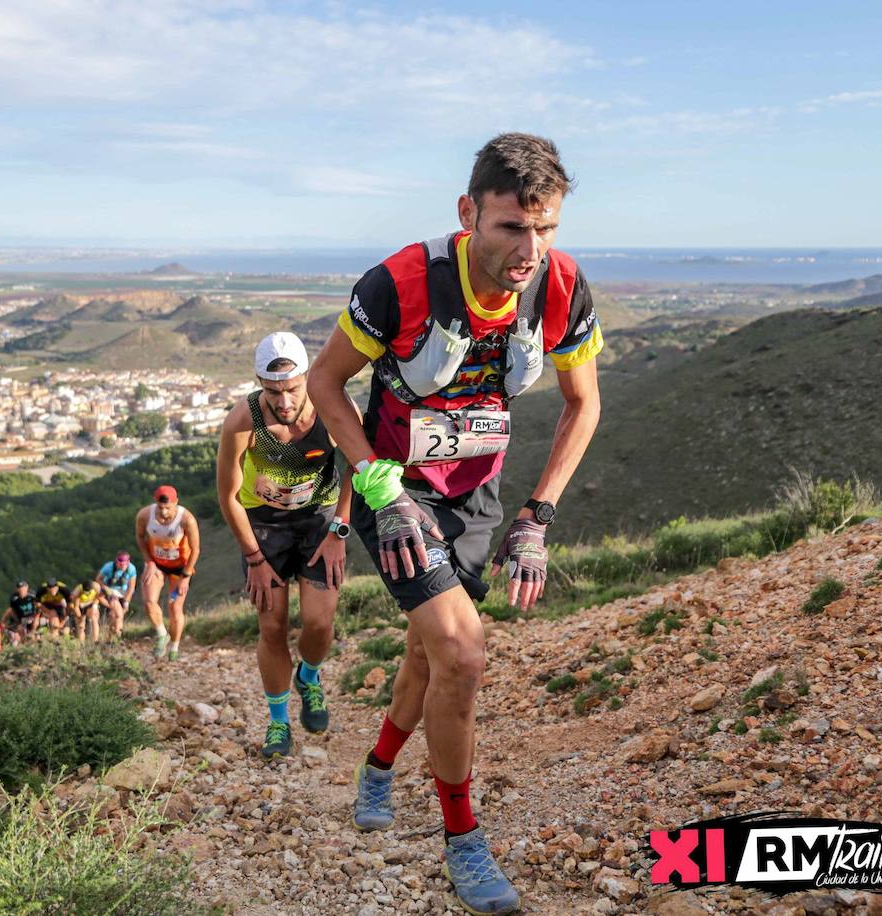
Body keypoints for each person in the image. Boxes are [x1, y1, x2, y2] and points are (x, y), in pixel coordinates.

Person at [307, 133, 603, 915]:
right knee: (464, 654)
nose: (529, 250)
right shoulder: (402, 282)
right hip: (394, 493)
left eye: (547, 230)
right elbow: (325, 381)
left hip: (477, 497)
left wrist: (538, 517)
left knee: (430, 656)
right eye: (511, 227)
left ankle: (376, 767)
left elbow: (584, 404)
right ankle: (463, 840)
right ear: (469, 212)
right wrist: (379, 486)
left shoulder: (562, 287)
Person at [216, 331, 354, 759]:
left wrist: (339, 531)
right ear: (259, 383)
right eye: (272, 391)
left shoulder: (332, 408)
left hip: (318, 521)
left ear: (306, 378)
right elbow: (227, 496)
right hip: (265, 526)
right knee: (272, 626)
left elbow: (358, 465)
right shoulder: (244, 421)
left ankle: (309, 678)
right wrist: (254, 558)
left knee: (318, 623)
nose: (284, 401)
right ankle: (278, 723)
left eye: (292, 389)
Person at [135, 485, 201, 661]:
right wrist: (148, 561)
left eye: (168, 508)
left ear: (176, 503)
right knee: (149, 602)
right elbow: (140, 537)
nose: (163, 512)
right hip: (156, 564)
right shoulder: (144, 515)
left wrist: (186, 577)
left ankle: (174, 647)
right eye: (160, 507)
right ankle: (162, 635)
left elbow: (196, 549)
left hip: (180, 568)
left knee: (175, 607)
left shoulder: (186, 519)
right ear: (155, 502)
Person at [95, 552, 138, 640]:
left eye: (125, 565)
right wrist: (106, 589)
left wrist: (126, 601)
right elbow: (98, 579)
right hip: (111, 590)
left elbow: (131, 587)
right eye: (120, 565)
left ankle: (110, 638)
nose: (122, 567)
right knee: (119, 614)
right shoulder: (109, 567)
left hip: (124, 592)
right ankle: (117, 638)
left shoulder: (131, 569)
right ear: (116, 562)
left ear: (128, 563)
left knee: (116, 616)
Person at [3, 580, 36, 646]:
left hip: (32, 616)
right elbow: (12, 610)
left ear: (27, 587)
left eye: (23, 588)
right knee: (19, 630)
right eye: (19, 588)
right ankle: (23, 644)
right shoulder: (14, 598)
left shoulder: (32, 595)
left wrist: (36, 617)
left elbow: (38, 606)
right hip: (21, 618)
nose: (21, 590)